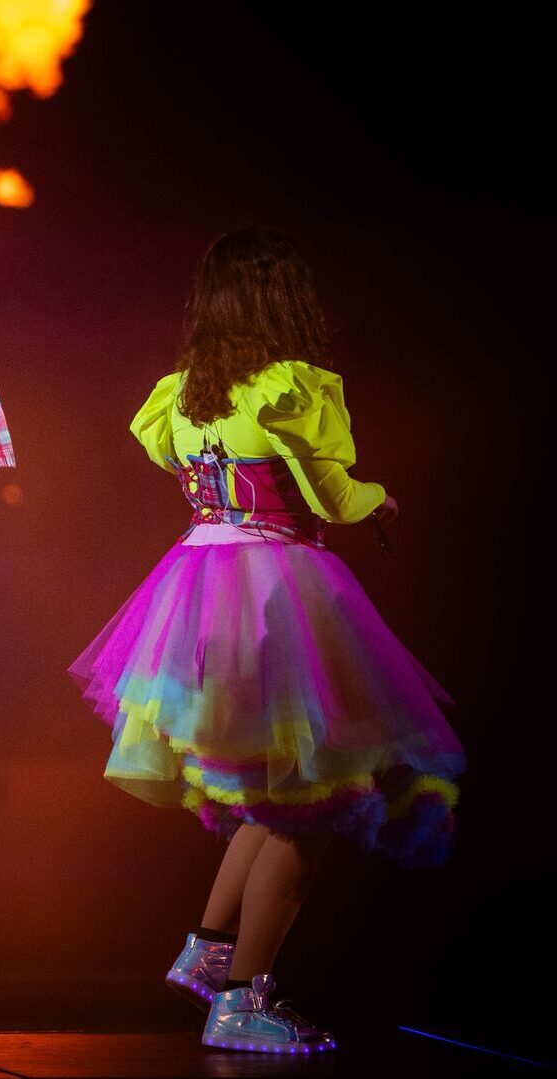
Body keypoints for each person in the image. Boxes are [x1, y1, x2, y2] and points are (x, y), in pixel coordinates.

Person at [68, 227, 465, 1053]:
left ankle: (210, 949)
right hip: (277, 591)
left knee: (277, 786)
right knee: (309, 801)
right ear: (283, 303)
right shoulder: (289, 387)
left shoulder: (181, 395)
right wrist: (378, 502)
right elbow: (329, 490)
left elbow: (181, 469)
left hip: (197, 587)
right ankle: (246, 997)